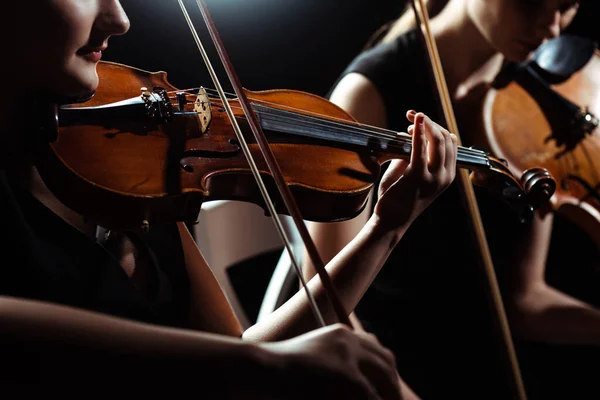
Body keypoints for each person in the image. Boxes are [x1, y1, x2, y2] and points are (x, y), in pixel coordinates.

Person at [0, 1, 458, 398]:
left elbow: (243, 357)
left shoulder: (129, 158)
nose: (119, 19)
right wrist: (256, 366)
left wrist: (387, 227)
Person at [304, 0, 600, 399]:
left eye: (566, 6)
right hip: (388, 365)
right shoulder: (367, 94)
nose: (551, 29)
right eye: (530, 3)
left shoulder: (530, 98)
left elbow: (524, 300)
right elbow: (325, 311)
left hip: (490, 367)